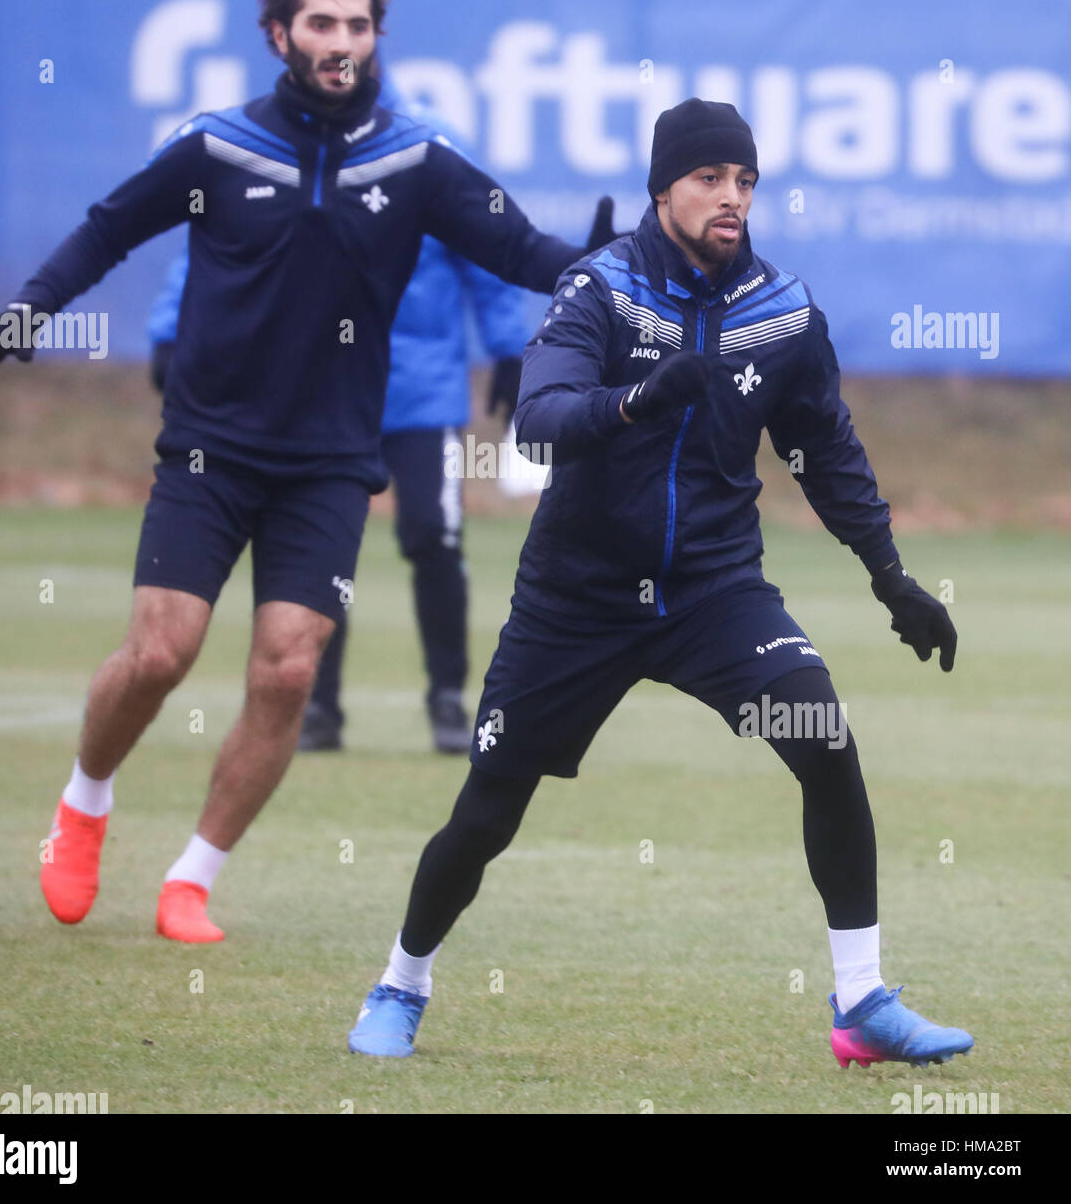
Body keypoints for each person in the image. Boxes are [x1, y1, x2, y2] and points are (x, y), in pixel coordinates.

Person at [0, 0, 605, 944]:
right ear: (280, 34)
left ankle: (192, 876)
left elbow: (519, 248)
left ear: (374, 38)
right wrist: (22, 317)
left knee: (287, 670)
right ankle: (84, 803)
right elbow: (106, 229)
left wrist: (597, 263)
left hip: (330, 460)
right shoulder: (217, 148)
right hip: (211, 446)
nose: (339, 42)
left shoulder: (415, 161)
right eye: (320, 25)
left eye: (356, 26)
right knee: (161, 652)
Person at [348, 98, 973, 1071]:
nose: (731, 197)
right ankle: (400, 982)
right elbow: (539, 419)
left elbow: (825, 452)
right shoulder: (597, 289)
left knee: (824, 740)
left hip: (714, 593)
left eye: (744, 180)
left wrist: (890, 576)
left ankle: (860, 1003)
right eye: (708, 179)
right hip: (578, 598)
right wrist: (636, 397)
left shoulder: (781, 309)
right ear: (661, 188)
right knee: (486, 812)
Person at [146, 76, 550, 756]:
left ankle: (448, 700)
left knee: (433, 536)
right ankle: (317, 708)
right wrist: (168, 329)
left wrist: (510, 349)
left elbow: (488, 254)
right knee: (317, 550)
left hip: (420, 391)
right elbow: (220, 245)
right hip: (318, 395)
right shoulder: (277, 146)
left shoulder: (425, 146)